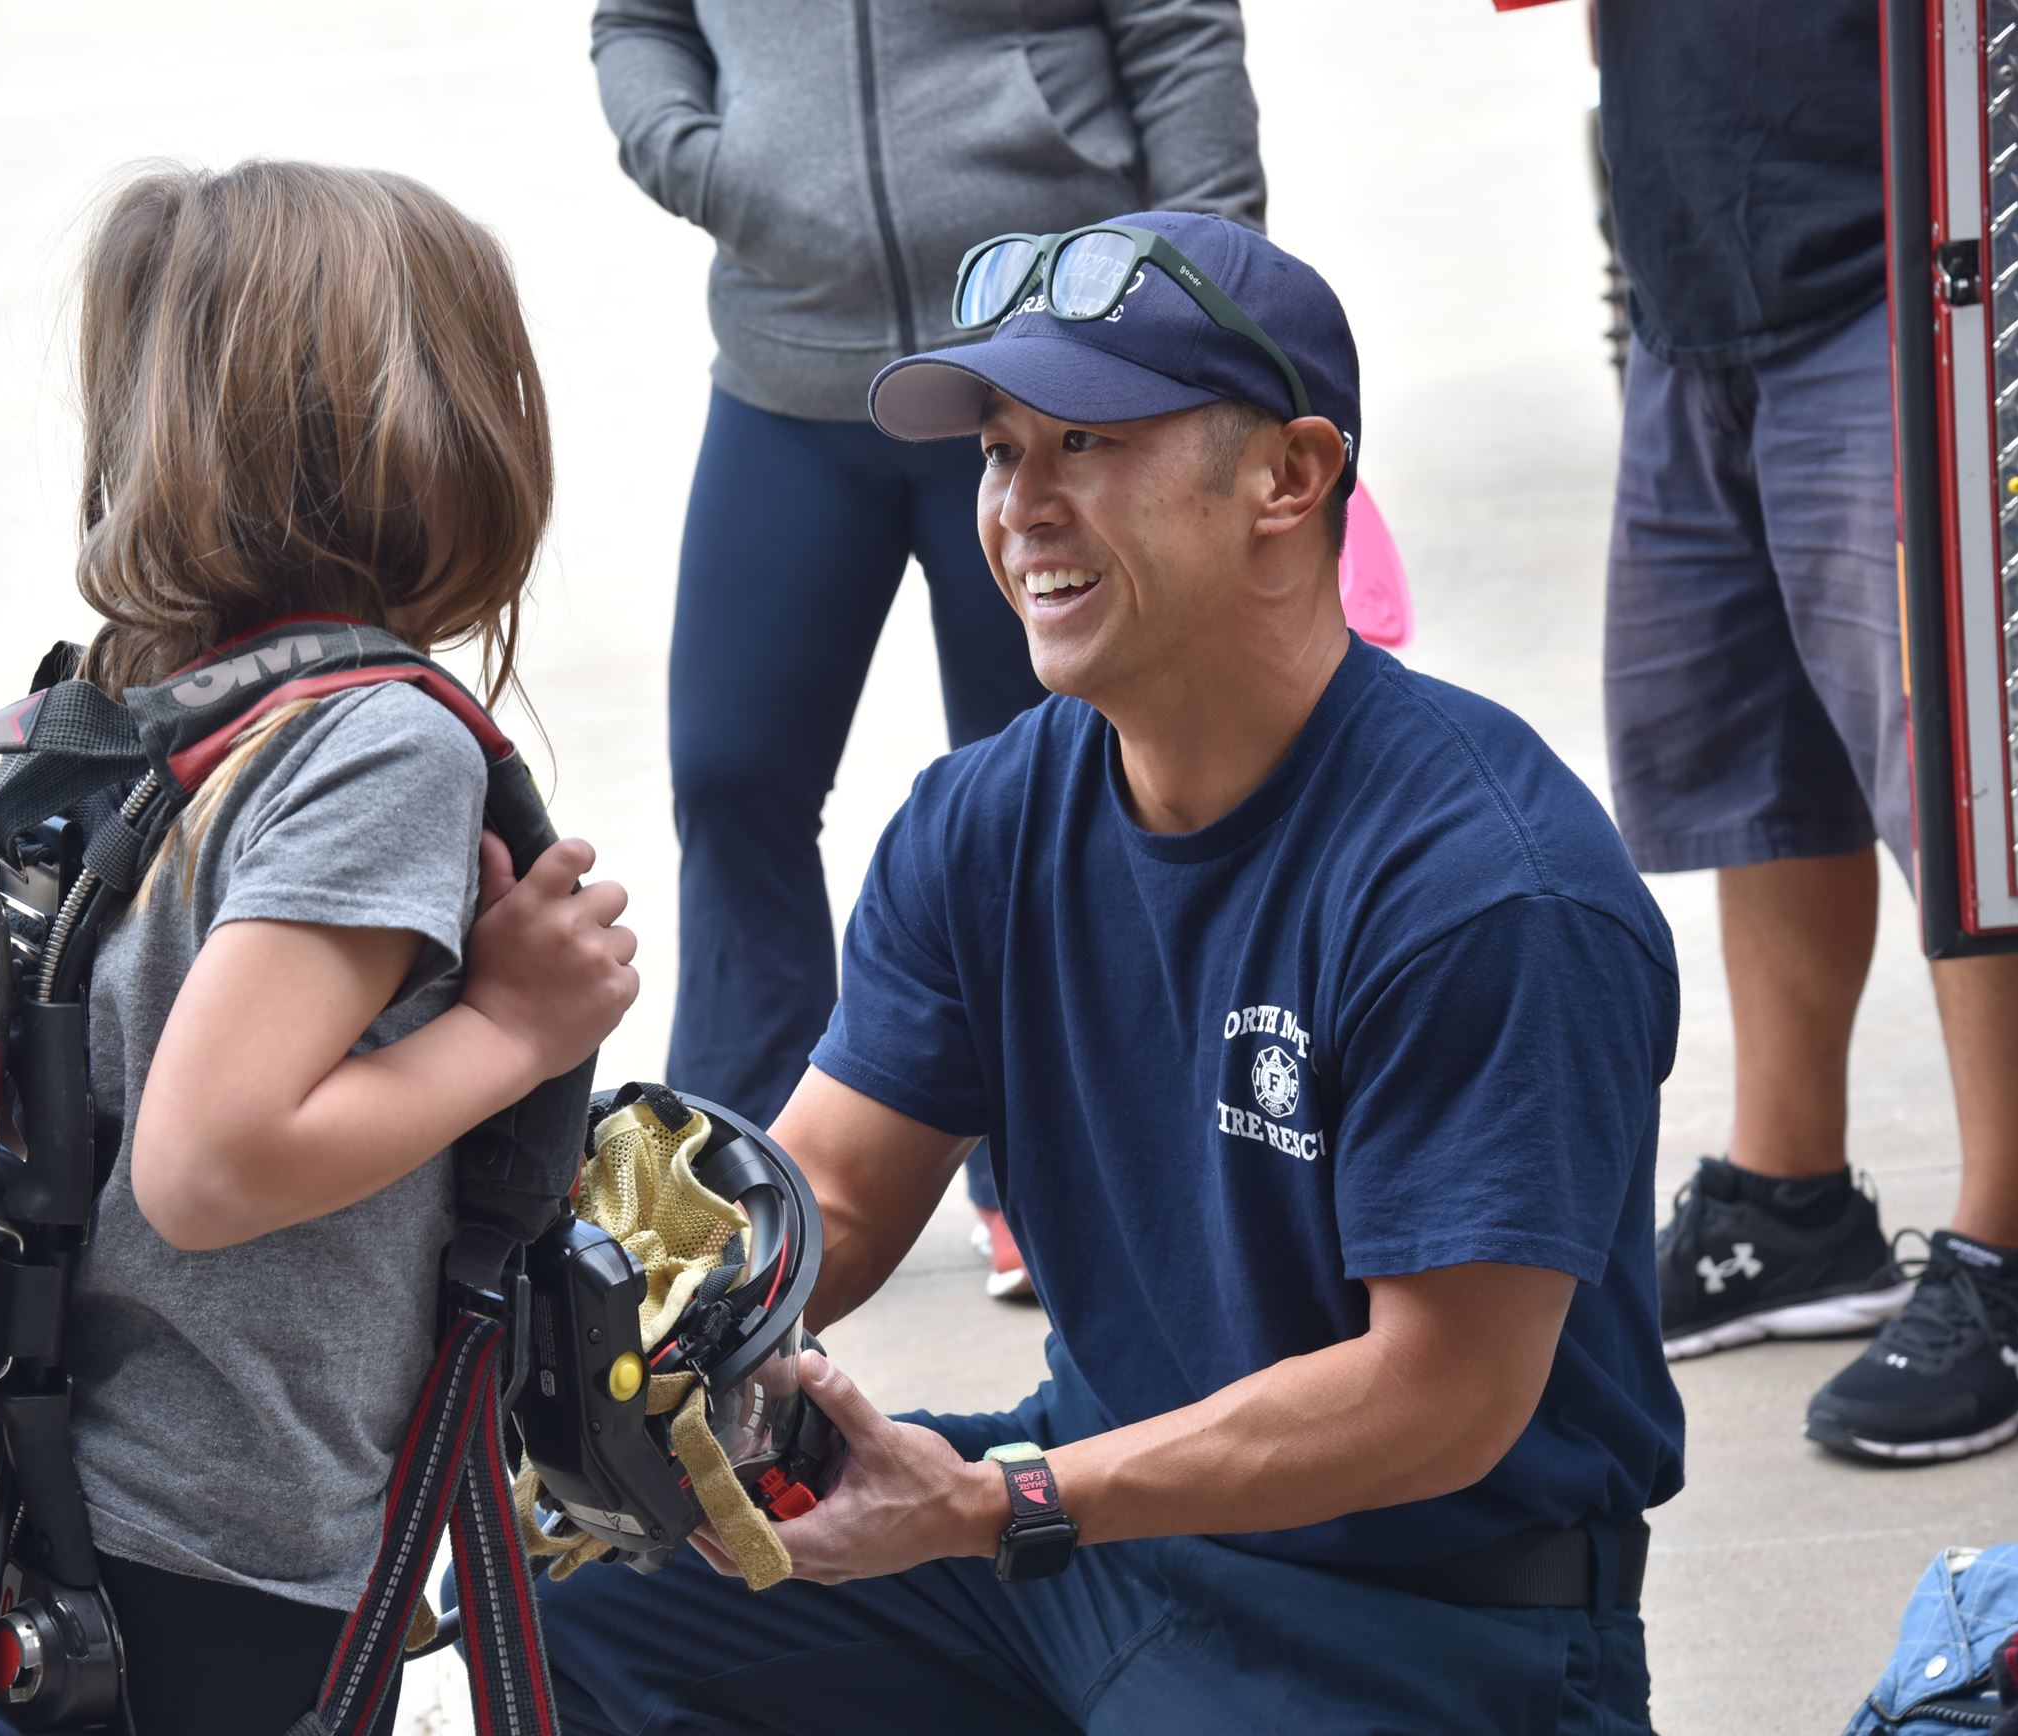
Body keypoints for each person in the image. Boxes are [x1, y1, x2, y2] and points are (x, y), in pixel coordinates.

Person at [536, 210, 1683, 1734]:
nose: (1021, 508)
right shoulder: (985, 818)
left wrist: (1008, 1501)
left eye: (1088, 441)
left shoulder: (1483, 885)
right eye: (1003, 452)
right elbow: (843, 1200)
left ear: (1291, 475)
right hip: (1087, 1537)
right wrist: (587, 1318)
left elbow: (1440, 1399)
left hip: (1418, 1617)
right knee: (577, 1620)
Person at [50, 162, 638, 1734]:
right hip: (226, 1536)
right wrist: (514, 1029)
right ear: (432, 428)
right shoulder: (378, 743)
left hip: (66, 1494)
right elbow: (215, 1163)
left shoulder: (124, 708)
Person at [591, 0, 1264, 1299]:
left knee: (1053, 785)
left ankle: (1045, 1160)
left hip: (1050, 362)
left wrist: (1211, 326)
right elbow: (639, 22)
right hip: (788, 365)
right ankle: (742, 1181)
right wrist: (707, 157)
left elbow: (1179, 33)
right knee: (732, 773)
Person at [1578, 0, 2018, 1461]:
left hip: (1921, 256)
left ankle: (2011, 1258)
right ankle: (1787, 1199)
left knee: (1965, 790)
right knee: (1755, 765)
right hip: (1695, 267)